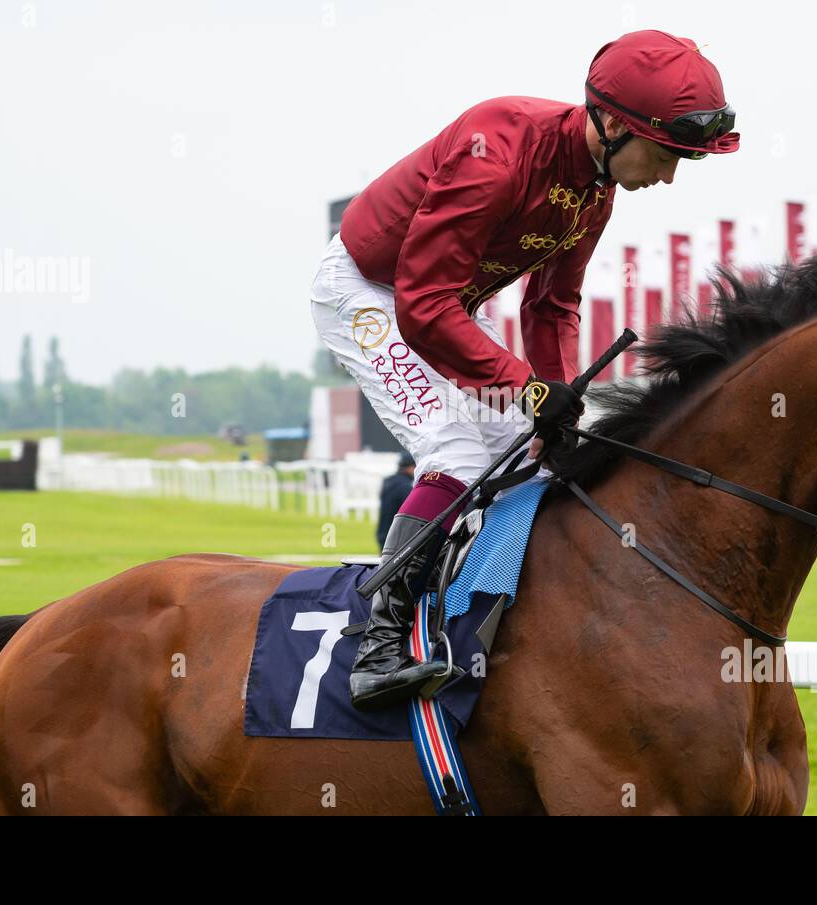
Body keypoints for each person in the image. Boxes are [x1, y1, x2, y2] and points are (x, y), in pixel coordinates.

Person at [309, 29, 739, 711]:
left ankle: (488, 620)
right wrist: (526, 388)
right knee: (451, 453)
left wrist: (557, 402)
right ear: (612, 124)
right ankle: (378, 643)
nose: (669, 175)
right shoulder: (498, 155)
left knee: (536, 458)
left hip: (448, 301)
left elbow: (552, 306)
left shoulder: (596, 191)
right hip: (371, 291)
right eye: (666, 154)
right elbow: (419, 306)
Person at [376, 452, 416, 550]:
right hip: (397, 538)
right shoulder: (405, 486)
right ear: (410, 467)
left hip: (383, 533)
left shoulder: (389, 481)